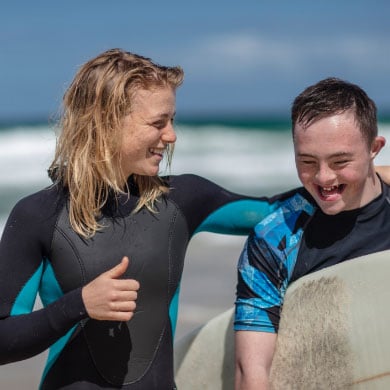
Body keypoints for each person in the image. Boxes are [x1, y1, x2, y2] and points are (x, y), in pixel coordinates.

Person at [0, 48, 285, 390]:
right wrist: (78, 305)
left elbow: (279, 213)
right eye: (158, 123)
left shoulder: (182, 201)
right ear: (107, 123)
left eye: (172, 120)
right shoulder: (38, 216)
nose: (171, 135)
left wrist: (360, 180)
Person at [234, 77, 390, 389]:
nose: (323, 177)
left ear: (374, 149)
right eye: (306, 162)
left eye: (340, 161)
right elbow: (252, 372)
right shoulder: (274, 240)